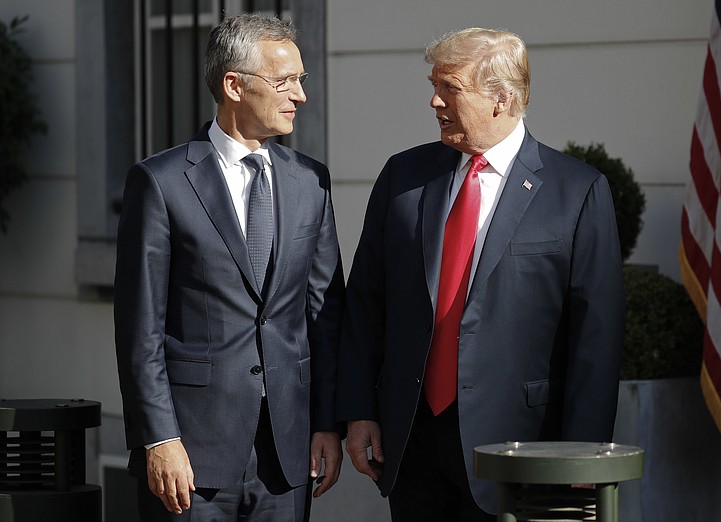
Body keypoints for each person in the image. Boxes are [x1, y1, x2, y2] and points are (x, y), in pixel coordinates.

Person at [336, 27, 624, 521]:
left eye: (451, 88)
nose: (434, 101)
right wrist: (360, 410)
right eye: (435, 85)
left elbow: (596, 335)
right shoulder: (403, 177)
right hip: (413, 442)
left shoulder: (577, 191)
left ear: (502, 98)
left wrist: (584, 451)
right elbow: (366, 301)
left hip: (520, 445)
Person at [114, 13, 345, 522]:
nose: (299, 95)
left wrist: (328, 424)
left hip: (288, 455)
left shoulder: (312, 182)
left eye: (300, 80)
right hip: (190, 457)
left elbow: (326, 315)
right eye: (284, 81)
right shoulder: (161, 182)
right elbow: (140, 329)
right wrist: (159, 438)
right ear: (234, 85)